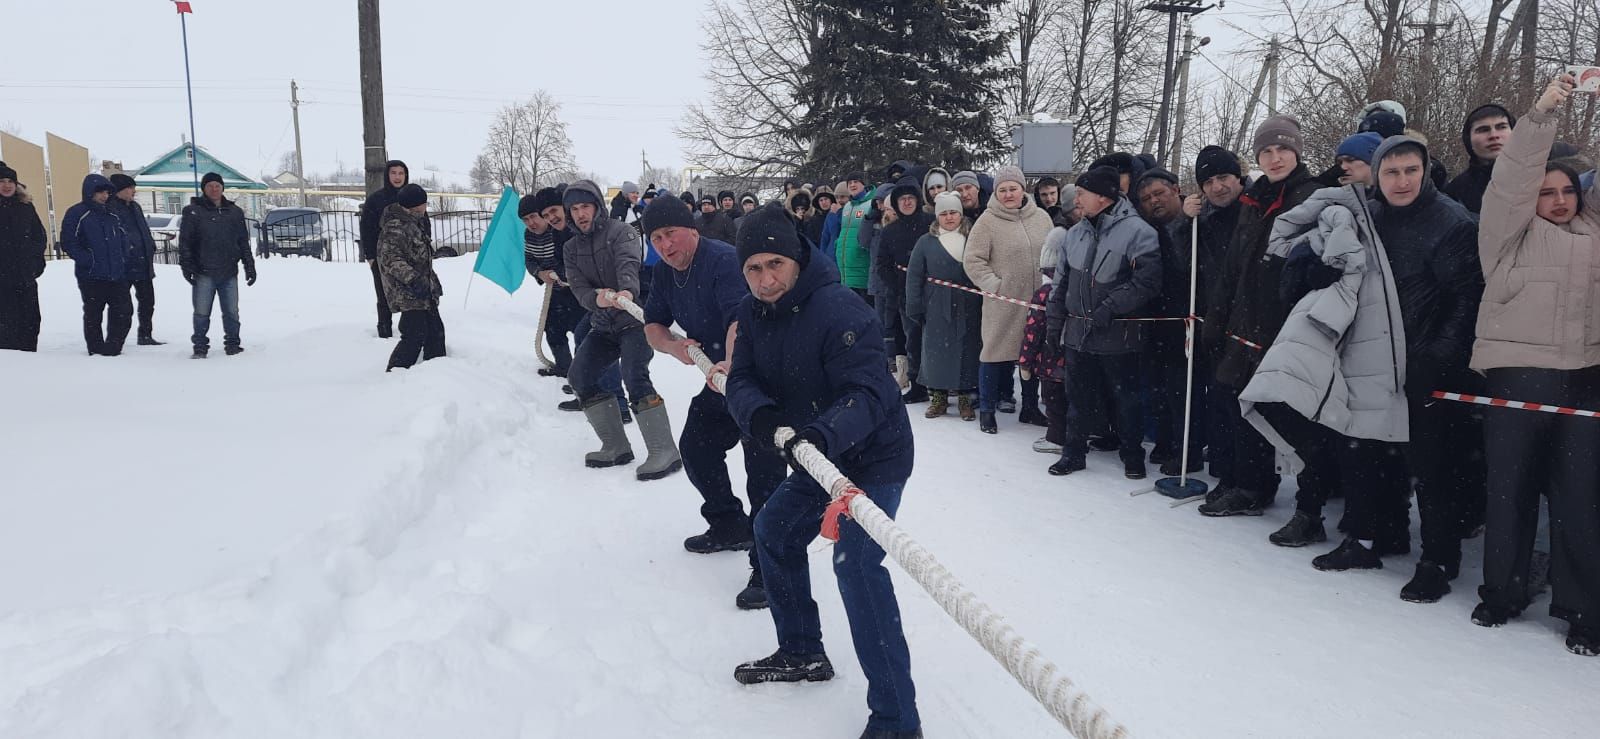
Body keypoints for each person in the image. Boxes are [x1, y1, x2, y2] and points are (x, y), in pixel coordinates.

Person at [725, 203, 920, 739]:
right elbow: (739, 378)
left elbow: (871, 392)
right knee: (773, 530)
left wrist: (822, 436)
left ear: (795, 259)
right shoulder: (751, 311)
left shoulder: (840, 310)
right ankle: (802, 651)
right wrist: (761, 415)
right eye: (754, 268)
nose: (766, 280)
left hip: (871, 454)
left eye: (775, 265)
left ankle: (897, 723)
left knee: (857, 567)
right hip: (814, 451)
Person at [1470, 74, 1600, 656]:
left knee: (1579, 501)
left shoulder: (1596, 232)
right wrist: (1543, 113)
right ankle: (1503, 591)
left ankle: (1582, 608)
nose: (1557, 201)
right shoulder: (1507, 236)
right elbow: (1512, 180)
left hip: (1584, 383)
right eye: (1546, 193)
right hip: (1517, 380)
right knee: (1510, 493)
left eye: (1567, 191)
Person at [1238, 181, 1412, 569]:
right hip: (1333, 339)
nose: (1348, 170)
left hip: (1372, 345)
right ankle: (1322, 516)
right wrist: (1326, 208)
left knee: (1367, 445)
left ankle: (1379, 533)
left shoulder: (1389, 220)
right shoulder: (1332, 214)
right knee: (1321, 427)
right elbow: (1281, 237)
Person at [638, 195, 786, 610]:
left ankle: (769, 567)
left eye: (670, 234)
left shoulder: (721, 262)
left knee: (764, 474)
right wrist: (673, 347)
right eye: (656, 238)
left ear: (692, 230)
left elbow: (741, 320)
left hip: (762, 376)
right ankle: (727, 525)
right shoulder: (665, 273)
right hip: (720, 377)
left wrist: (732, 366)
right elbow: (653, 324)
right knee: (696, 446)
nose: (665, 245)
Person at [1363, 135, 1486, 602]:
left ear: (1425, 171)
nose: (1401, 180)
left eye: (1410, 170)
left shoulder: (1451, 221)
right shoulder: (1372, 218)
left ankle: (1438, 559)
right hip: (1378, 357)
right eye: (1391, 172)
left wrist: (1437, 357)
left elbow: (1465, 298)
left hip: (1431, 364)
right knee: (1379, 453)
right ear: (1377, 176)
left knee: (1434, 467)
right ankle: (1385, 534)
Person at [1199, 116, 1327, 516]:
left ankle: (1310, 508)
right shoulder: (1254, 201)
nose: (1275, 158)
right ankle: (1248, 483)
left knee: (1292, 418)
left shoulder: (1315, 195)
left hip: (1289, 324)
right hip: (1245, 322)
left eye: (1283, 149)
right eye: (1267, 151)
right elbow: (1235, 267)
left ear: (1297, 151)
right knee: (1238, 404)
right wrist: (1216, 320)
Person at [562, 179, 683, 481]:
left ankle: (664, 451)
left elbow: (628, 263)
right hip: (603, 324)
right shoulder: (570, 248)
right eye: (574, 208)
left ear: (597, 207)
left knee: (633, 374)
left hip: (634, 321)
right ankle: (615, 445)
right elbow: (578, 287)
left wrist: (626, 291)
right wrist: (596, 299)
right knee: (579, 376)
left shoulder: (622, 232)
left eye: (585, 206)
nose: (580, 214)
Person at [1047, 166, 1162, 478]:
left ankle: (1132, 454)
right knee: (1077, 398)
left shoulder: (1140, 232)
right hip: (1077, 333)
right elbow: (1060, 283)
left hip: (1119, 335)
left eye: (1082, 193)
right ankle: (1073, 452)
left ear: (1103, 197)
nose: (1076, 199)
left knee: (1126, 399)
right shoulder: (1074, 233)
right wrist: (1054, 322)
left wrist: (1111, 306)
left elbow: (1147, 281)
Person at [964, 166, 1052, 433]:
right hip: (1002, 302)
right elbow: (973, 260)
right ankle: (988, 410)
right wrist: (994, 285)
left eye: (1013, 188)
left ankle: (1029, 407)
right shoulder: (987, 221)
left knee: (1031, 355)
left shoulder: (1042, 218)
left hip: (1037, 301)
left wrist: (1050, 283)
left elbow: (1053, 253)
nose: (1008, 194)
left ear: (1022, 189)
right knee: (993, 353)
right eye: (1002, 190)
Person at [1177, 146, 1247, 480]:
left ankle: (1246, 476)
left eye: (1223, 177)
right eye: (1209, 181)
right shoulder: (1205, 221)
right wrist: (1184, 221)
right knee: (1217, 397)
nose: (1217, 187)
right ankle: (1223, 470)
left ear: (1238, 177)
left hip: (1248, 321)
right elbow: (1184, 264)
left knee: (1241, 403)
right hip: (1212, 320)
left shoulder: (1254, 212)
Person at [1133, 168, 1198, 473]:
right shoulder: (1148, 229)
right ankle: (1165, 441)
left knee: (1182, 390)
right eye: (1146, 199)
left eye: (1158, 194)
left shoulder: (1194, 220)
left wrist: (1185, 221)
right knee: (1158, 387)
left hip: (1188, 319)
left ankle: (1188, 449)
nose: (1153, 202)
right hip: (1156, 319)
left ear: (1175, 189)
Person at [907, 191, 981, 422]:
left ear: (961, 214)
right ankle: (937, 398)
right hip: (936, 304)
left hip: (970, 304)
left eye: (954, 213)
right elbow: (914, 275)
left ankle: (965, 398)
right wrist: (915, 305)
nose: (949, 218)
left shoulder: (973, 237)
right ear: (937, 216)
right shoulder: (925, 242)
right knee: (936, 350)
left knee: (967, 350)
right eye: (945, 213)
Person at [179, 172, 256, 359]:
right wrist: (187, 266)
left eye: (217, 186)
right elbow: (186, 242)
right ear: (203, 189)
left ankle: (233, 344)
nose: (214, 189)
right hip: (203, 271)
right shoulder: (193, 211)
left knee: (231, 312)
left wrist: (249, 265)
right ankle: (200, 347)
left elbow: (242, 241)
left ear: (223, 188)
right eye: (210, 186)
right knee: (201, 312)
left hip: (228, 271)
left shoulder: (234, 212)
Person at [59, 174, 135, 357]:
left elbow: (124, 238)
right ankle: (96, 349)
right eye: (100, 192)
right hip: (91, 275)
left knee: (124, 312)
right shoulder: (77, 213)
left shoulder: (112, 213)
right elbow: (69, 242)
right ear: (89, 192)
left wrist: (123, 257)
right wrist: (89, 260)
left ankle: (113, 348)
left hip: (116, 274)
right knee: (94, 314)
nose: (104, 196)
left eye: (107, 192)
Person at [876, 182, 935, 403]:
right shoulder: (890, 231)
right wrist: (899, 285)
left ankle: (941, 383)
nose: (907, 202)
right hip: (906, 295)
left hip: (935, 291)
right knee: (913, 339)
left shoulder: (931, 224)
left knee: (937, 338)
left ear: (918, 200)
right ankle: (918, 384)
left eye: (911, 198)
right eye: (903, 200)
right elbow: (882, 265)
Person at [377, 184, 445, 370]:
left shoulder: (415, 221)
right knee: (414, 334)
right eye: (423, 204)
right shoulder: (396, 227)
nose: (425, 208)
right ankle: (396, 373)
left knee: (435, 332)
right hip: (408, 291)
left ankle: (438, 371)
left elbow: (422, 257)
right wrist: (414, 280)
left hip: (423, 288)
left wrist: (431, 282)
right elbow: (391, 259)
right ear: (414, 206)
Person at [1019, 224, 1068, 453]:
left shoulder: (1044, 294)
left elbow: (1033, 330)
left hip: (1050, 361)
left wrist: (1025, 361)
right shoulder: (1078, 288)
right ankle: (1079, 434)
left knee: (1054, 403)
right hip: (1076, 359)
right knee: (1074, 401)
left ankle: (1056, 439)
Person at [360, 160, 422, 338]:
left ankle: (409, 330)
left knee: (410, 293)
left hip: (410, 256)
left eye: (401, 173)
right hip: (383, 258)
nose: (397, 177)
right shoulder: (376, 200)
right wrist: (371, 256)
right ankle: (384, 331)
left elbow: (423, 223)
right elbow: (367, 228)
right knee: (384, 294)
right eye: (393, 173)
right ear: (387, 175)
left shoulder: (413, 197)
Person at [523, 187, 580, 377]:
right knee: (552, 327)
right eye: (526, 219)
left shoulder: (565, 231)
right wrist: (540, 273)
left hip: (579, 291)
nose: (531, 223)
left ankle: (585, 376)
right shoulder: (532, 236)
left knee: (583, 333)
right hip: (556, 288)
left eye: (534, 216)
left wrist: (560, 273)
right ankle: (565, 367)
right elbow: (529, 259)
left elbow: (570, 260)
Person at [107, 174, 163, 345]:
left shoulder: (135, 207)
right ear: (120, 190)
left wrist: (150, 245)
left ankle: (145, 334)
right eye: (131, 188)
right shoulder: (111, 209)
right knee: (121, 306)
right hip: (124, 266)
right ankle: (114, 339)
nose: (134, 191)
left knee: (147, 302)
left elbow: (142, 230)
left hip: (143, 263)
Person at [0, 163, 47, 352]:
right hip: (2, 279)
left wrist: (35, 263)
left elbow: (39, 236)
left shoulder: (25, 207)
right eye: (2, 181)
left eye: (10, 181)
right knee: (6, 321)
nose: (6, 185)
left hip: (24, 276)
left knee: (30, 318)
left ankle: (28, 356)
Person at [1444, 104, 1516, 213]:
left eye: (1501, 127)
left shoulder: (1541, 176)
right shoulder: (1457, 191)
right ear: (1469, 139)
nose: (1493, 135)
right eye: (1483, 130)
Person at [828, 173, 875, 302]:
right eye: (850, 183)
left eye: (856, 182)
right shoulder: (848, 206)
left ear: (863, 184)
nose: (853, 185)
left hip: (862, 266)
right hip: (846, 268)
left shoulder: (871, 204)